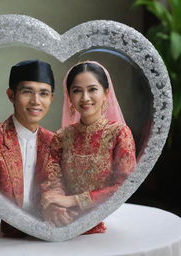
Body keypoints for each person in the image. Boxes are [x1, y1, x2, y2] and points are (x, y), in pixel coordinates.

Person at [40, 61, 136, 233]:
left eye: (92, 89)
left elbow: (125, 186)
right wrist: (56, 206)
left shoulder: (119, 134)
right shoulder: (61, 137)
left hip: (106, 224)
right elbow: (52, 179)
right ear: (69, 96)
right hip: (64, 222)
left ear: (106, 93)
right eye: (77, 91)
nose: (85, 98)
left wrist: (74, 200)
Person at [0, 59, 55, 237]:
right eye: (27, 92)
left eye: (44, 94)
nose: (36, 101)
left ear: (51, 99)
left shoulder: (55, 142)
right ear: (11, 95)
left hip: (47, 234)